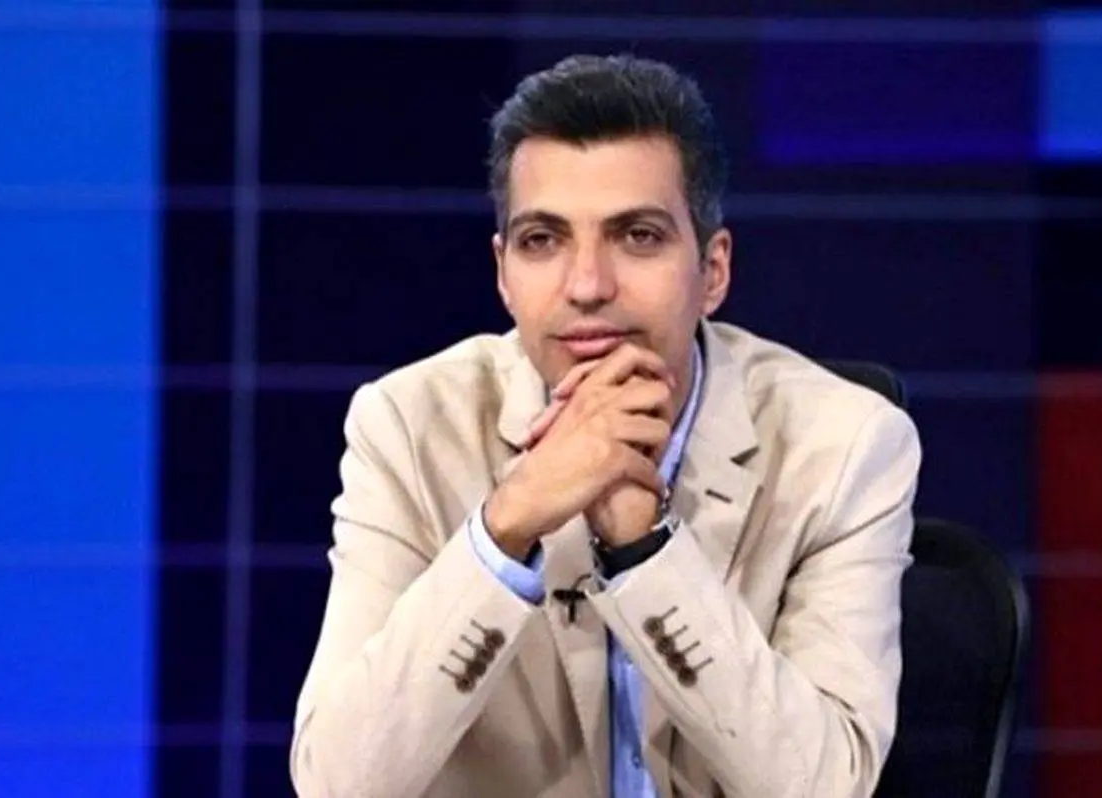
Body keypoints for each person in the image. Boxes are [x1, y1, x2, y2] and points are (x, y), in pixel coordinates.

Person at [289, 54, 922, 798]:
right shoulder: (408, 428)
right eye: (543, 240)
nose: (587, 286)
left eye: (638, 236)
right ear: (503, 274)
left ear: (713, 271)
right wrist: (505, 528)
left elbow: (824, 786)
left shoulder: (844, 447)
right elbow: (337, 782)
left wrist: (644, 550)